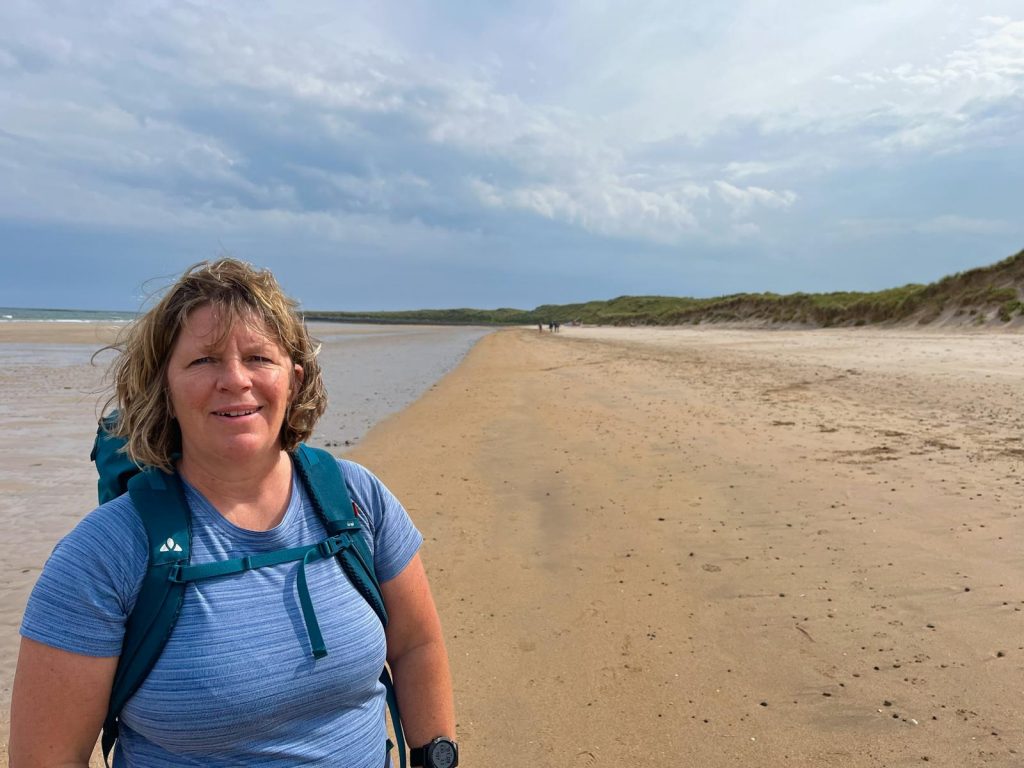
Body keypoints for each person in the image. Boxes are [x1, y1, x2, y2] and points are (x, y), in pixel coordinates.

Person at [9, 259, 457, 767]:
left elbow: (416, 645)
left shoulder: (357, 499)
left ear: (294, 379)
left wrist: (433, 756)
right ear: (166, 390)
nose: (235, 380)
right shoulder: (105, 554)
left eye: (258, 357)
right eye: (203, 361)